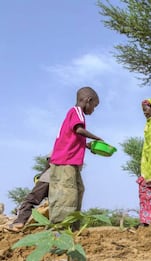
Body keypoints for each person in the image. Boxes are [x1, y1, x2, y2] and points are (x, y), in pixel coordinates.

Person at [48, 86, 103, 230]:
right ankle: (60, 228)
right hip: (65, 161)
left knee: (78, 189)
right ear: (88, 100)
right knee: (66, 193)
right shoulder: (76, 111)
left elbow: (73, 137)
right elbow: (78, 129)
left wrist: (89, 146)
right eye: (94, 106)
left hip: (70, 162)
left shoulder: (75, 114)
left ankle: (73, 226)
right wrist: (96, 137)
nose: (93, 110)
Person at [4, 154, 51, 232]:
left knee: (31, 199)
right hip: (69, 181)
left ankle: (19, 222)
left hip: (49, 178)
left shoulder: (62, 145)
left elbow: (50, 162)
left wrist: (41, 178)